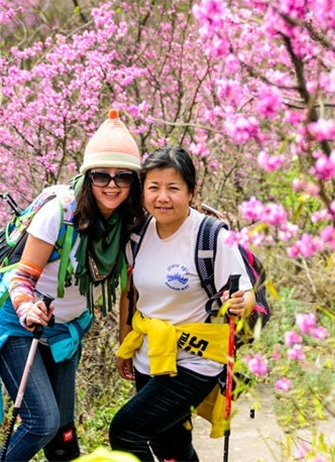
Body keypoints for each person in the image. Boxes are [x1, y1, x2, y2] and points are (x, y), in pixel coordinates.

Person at [0, 109, 146, 461]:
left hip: (64, 330)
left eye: (122, 177)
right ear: (87, 177)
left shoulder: (131, 225)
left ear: (134, 182)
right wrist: (27, 306)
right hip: (17, 322)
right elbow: (22, 275)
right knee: (41, 421)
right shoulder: (60, 213)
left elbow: (128, 288)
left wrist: (125, 342)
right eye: (101, 176)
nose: (111, 185)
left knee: (63, 433)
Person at [109, 146, 255, 462]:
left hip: (195, 359)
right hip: (149, 354)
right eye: (154, 187)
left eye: (173, 188)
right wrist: (125, 344)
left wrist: (240, 302)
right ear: (142, 190)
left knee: (125, 432)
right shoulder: (138, 234)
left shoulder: (210, 236)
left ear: (191, 191)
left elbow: (243, 289)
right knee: (170, 447)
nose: (163, 197)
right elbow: (130, 294)